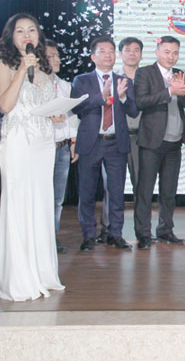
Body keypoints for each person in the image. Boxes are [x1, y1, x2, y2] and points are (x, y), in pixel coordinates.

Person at [0, 13, 64, 301]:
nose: (27, 35)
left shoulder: (45, 67)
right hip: (19, 142)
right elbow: (6, 105)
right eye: (20, 31)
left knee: (41, 205)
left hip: (44, 143)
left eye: (31, 30)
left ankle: (42, 272)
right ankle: (20, 278)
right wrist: (22, 68)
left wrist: (57, 113)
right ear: (11, 37)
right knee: (20, 205)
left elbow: (45, 106)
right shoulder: (4, 65)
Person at [71, 36, 139, 251]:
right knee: (87, 192)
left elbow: (134, 111)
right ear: (93, 57)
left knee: (117, 193)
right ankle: (89, 236)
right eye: (103, 51)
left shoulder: (124, 81)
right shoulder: (82, 80)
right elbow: (76, 108)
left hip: (116, 143)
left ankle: (115, 234)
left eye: (111, 51)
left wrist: (123, 97)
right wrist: (101, 97)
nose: (108, 55)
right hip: (91, 142)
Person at [133, 36, 185, 250]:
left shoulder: (179, 74)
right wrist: (169, 91)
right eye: (167, 52)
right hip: (152, 142)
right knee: (145, 191)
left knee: (169, 192)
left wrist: (184, 91)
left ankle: (165, 230)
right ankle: (143, 234)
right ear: (157, 52)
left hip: (174, 142)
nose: (171, 56)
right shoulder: (144, 73)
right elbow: (141, 101)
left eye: (175, 52)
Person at [44, 41, 79, 253]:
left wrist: (74, 141)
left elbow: (72, 116)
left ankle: (52, 238)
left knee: (58, 198)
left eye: (57, 55)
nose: (57, 60)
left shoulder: (65, 85)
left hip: (63, 147)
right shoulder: (33, 86)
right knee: (41, 196)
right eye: (51, 56)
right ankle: (39, 238)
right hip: (43, 147)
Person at [118, 37, 143, 196]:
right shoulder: (112, 78)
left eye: (136, 50)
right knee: (112, 185)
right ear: (120, 54)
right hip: (116, 137)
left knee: (141, 184)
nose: (132, 54)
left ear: (141, 54)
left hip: (142, 137)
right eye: (127, 50)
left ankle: (141, 213)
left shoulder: (149, 78)